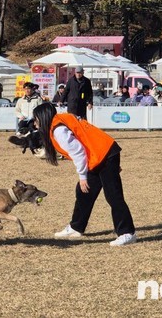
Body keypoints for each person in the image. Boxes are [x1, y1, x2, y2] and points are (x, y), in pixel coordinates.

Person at [32, 103, 136, 246]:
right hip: (98, 155)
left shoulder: (58, 130)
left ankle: (127, 233)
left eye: (36, 119)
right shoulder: (59, 121)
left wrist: (83, 177)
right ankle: (76, 227)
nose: (35, 123)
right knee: (83, 192)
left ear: (43, 118)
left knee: (113, 195)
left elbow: (78, 152)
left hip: (104, 154)